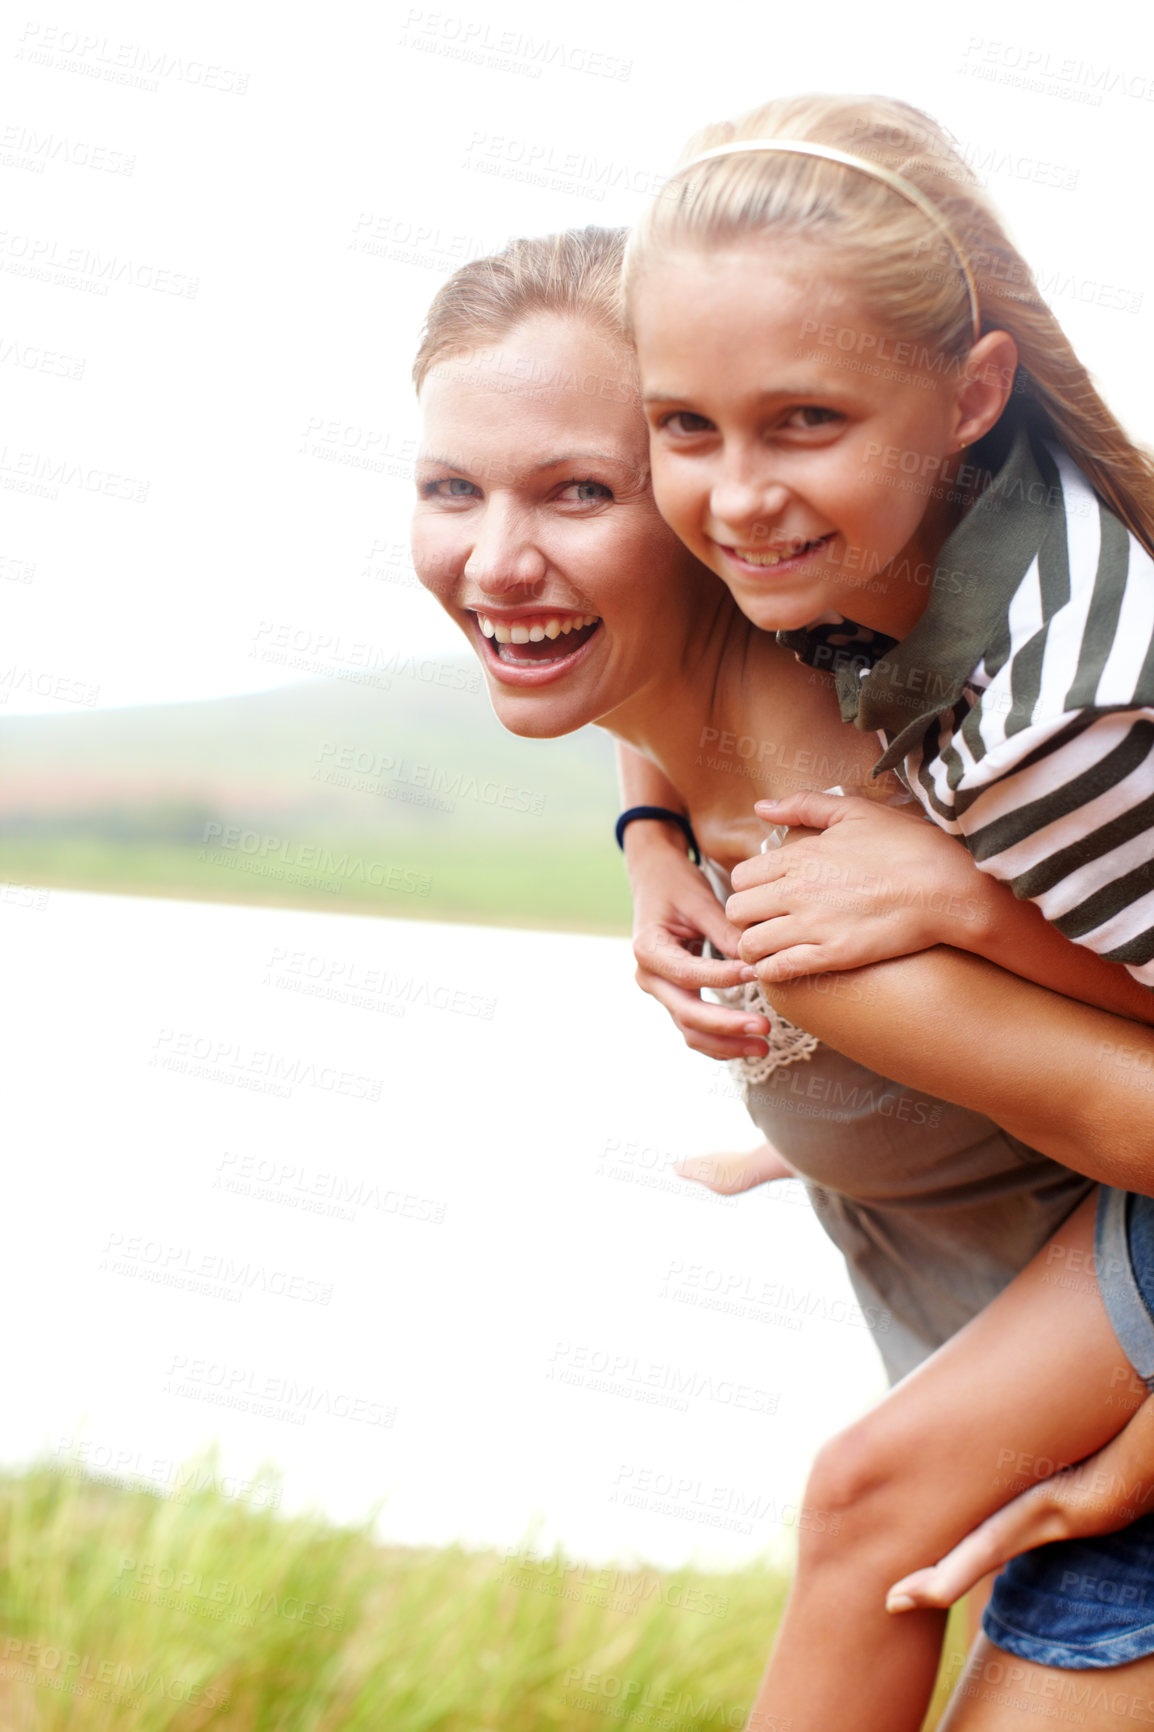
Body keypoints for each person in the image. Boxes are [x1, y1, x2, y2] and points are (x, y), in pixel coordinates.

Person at [410, 225, 1154, 1732]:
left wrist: (940, 958)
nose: (497, 556)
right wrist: (642, 838)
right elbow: (653, 710)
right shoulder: (757, 666)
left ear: (693, 520)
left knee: (861, 1508)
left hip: (1109, 1435)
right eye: (450, 487)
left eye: (575, 491)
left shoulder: (822, 895)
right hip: (1041, 1397)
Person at [616, 91, 1154, 1727]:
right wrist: (652, 836)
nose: (731, 500)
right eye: (683, 429)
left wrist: (971, 916)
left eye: (801, 423)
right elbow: (670, 675)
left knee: (869, 1502)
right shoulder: (857, 548)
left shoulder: (1062, 724)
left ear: (970, 393)